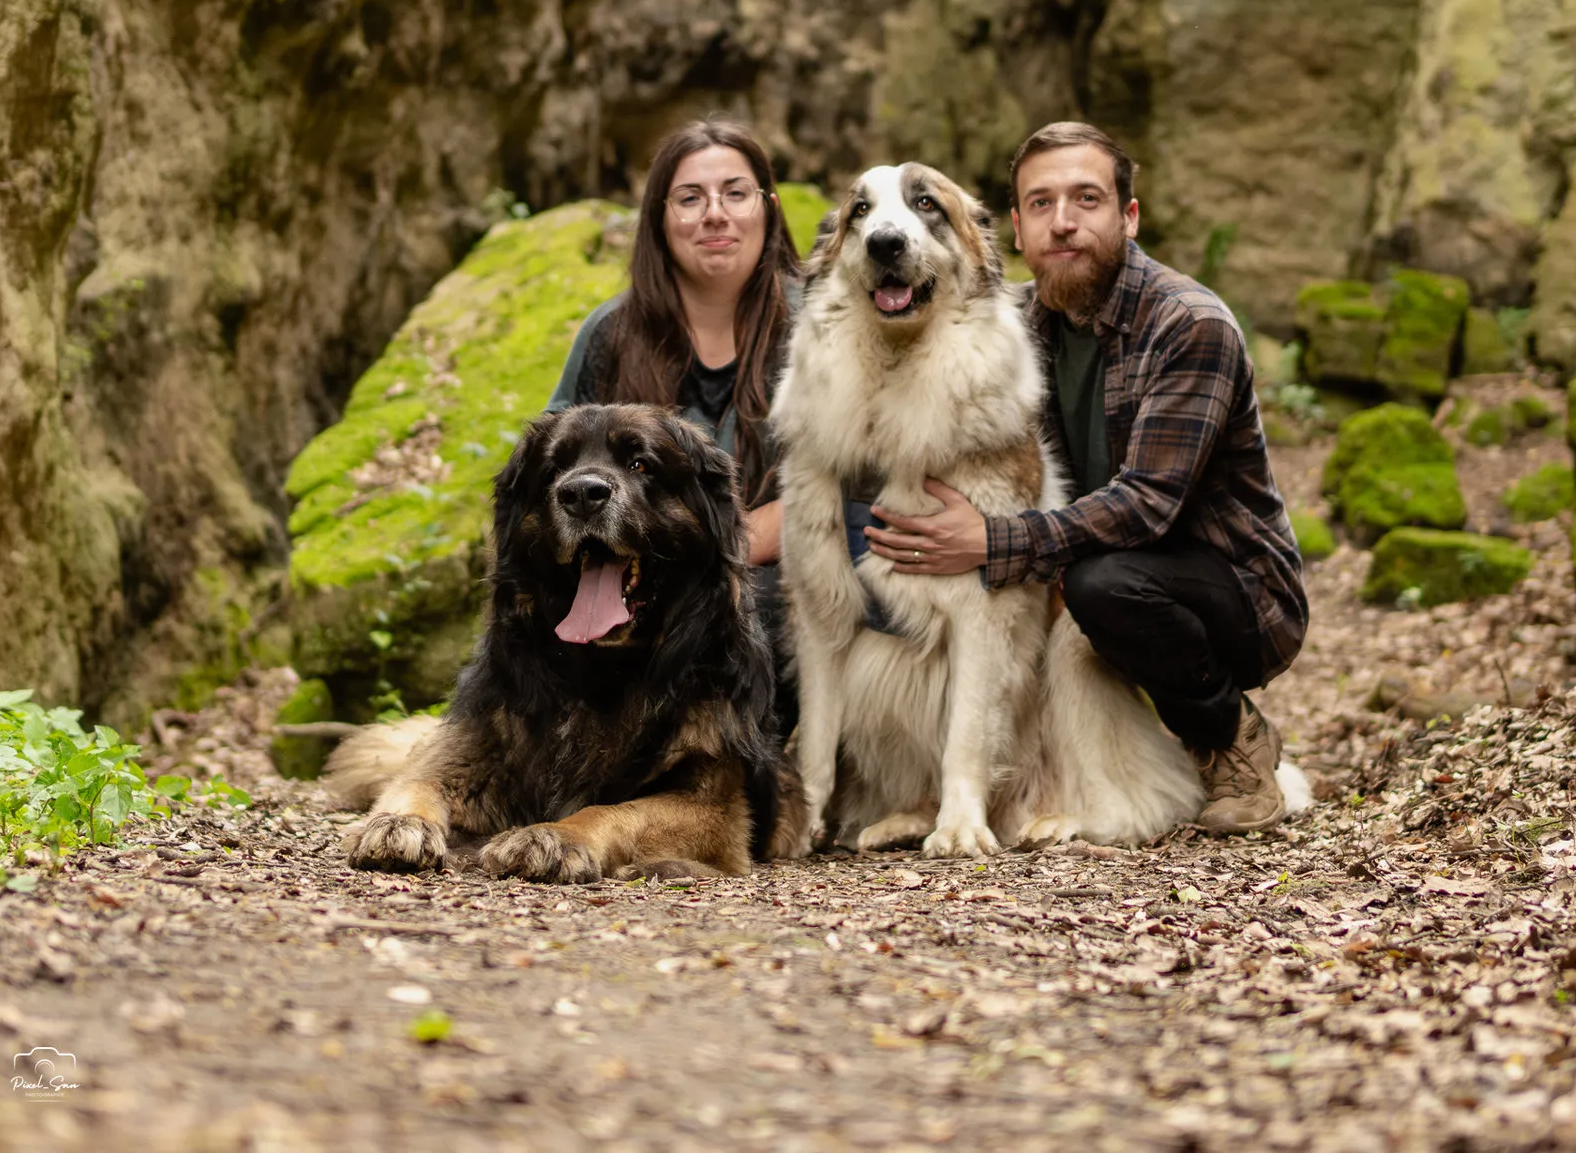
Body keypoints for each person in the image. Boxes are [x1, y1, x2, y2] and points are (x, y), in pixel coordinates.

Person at [862, 121, 1309, 832]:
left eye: (1086, 200)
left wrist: (994, 542)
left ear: (1129, 216)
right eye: (1041, 205)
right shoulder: (1019, 324)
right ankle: (1001, 787)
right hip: (1081, 558)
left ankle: (1232, 741)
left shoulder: (1189, 324)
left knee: (1106, 585)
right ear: (1015, 226)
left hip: (1230, 590)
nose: (1063, 223)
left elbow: (1148, 508)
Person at [547, 119, 804, 734]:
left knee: (755, 608)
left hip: (789, 576)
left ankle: (742, 784)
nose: (715, 214)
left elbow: (864, 482)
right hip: (627, 566)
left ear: (768, 208)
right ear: (660, 219)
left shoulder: (824, 322)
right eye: (690, 198)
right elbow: (549, 468)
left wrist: (729, 539)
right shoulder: (609, 334)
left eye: (736, 193)